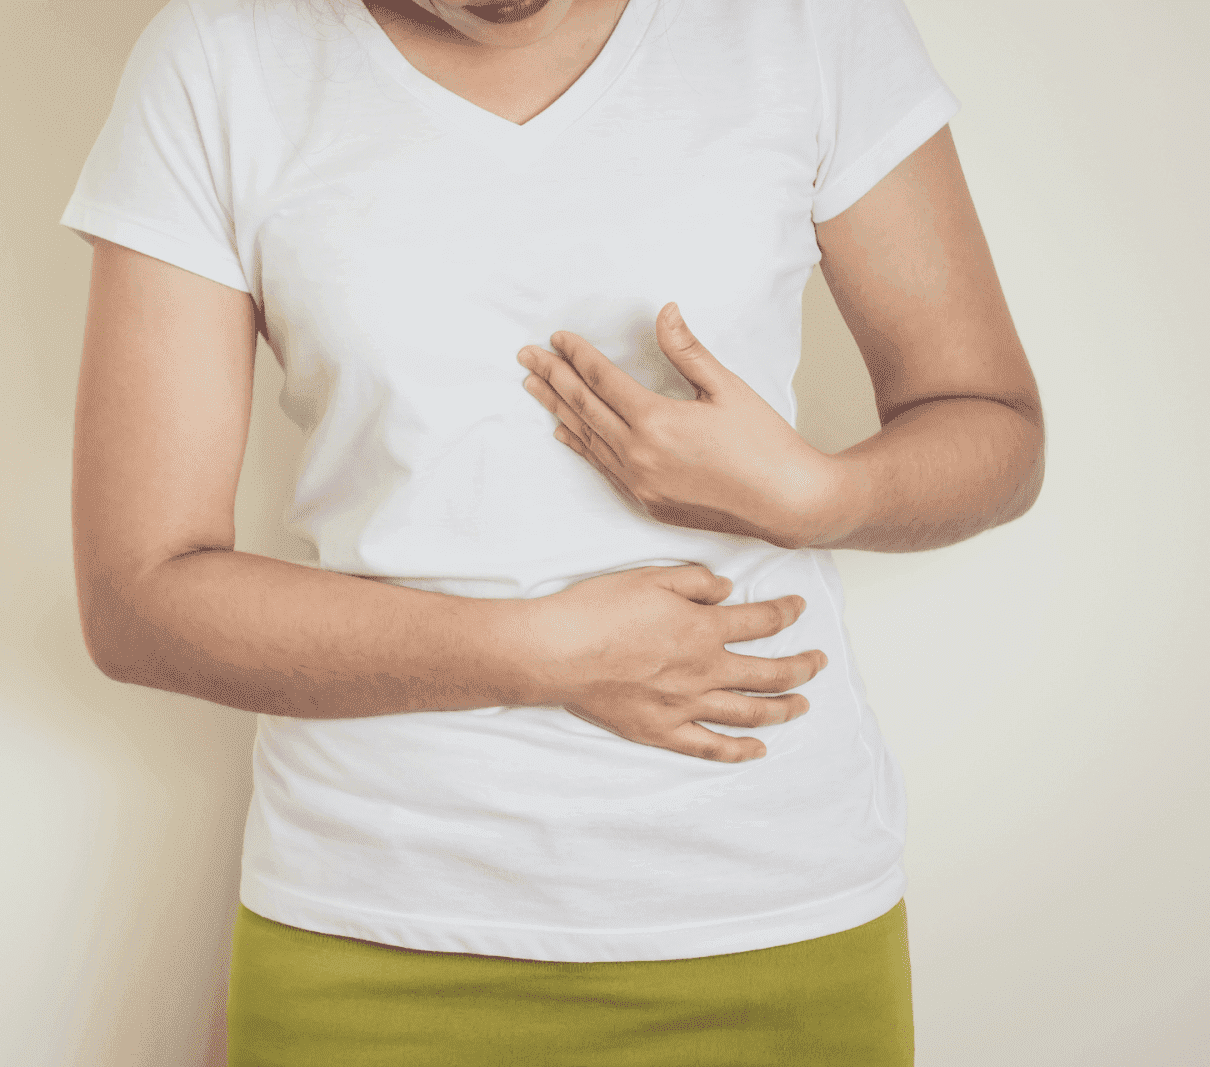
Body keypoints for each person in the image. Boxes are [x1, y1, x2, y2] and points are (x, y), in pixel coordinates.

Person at [59, 0, 1045, 1061]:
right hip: (373, 930)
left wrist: (814, 497)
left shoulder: (806, 25)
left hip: (766, 914)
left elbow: (994, 428)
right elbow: (138, 594)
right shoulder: (223, 55)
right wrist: (548, 653)